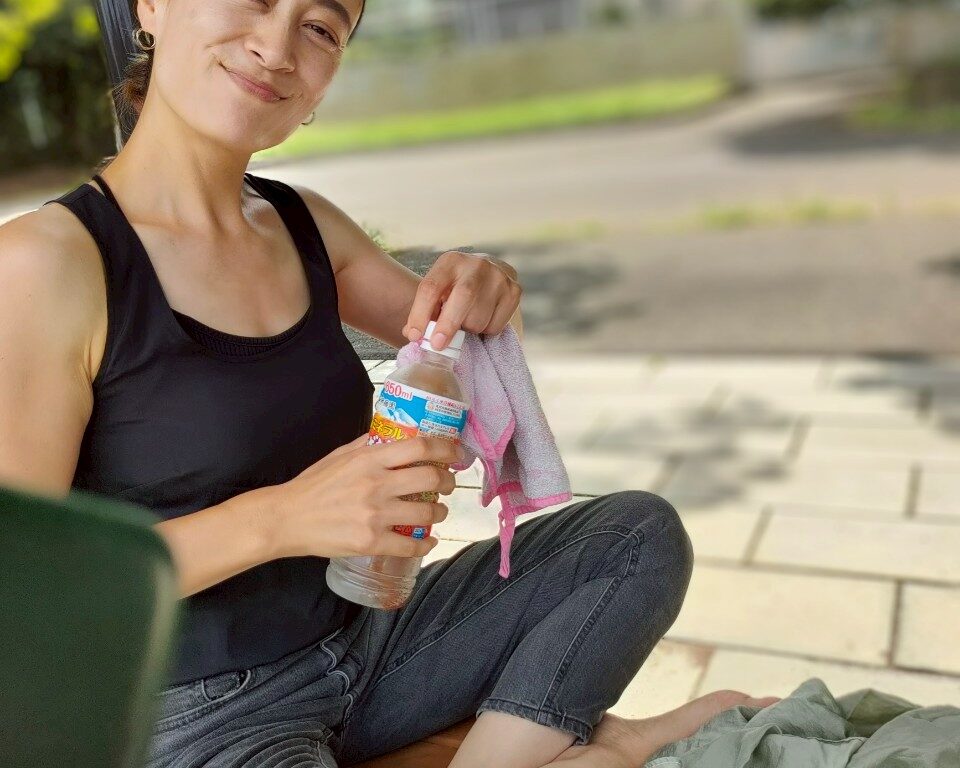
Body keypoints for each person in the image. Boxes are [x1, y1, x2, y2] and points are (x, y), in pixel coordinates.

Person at [0, 0, 779, 766]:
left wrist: (484, 285)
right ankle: (610, 749)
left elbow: (468, 346)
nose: (277, 46)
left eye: (320, 27)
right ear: (152, 6)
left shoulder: (301, 222)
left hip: (370, 640)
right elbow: (24, 588)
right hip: (195, 711)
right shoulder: (46, 264)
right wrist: (282, 518)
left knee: (636, 537)